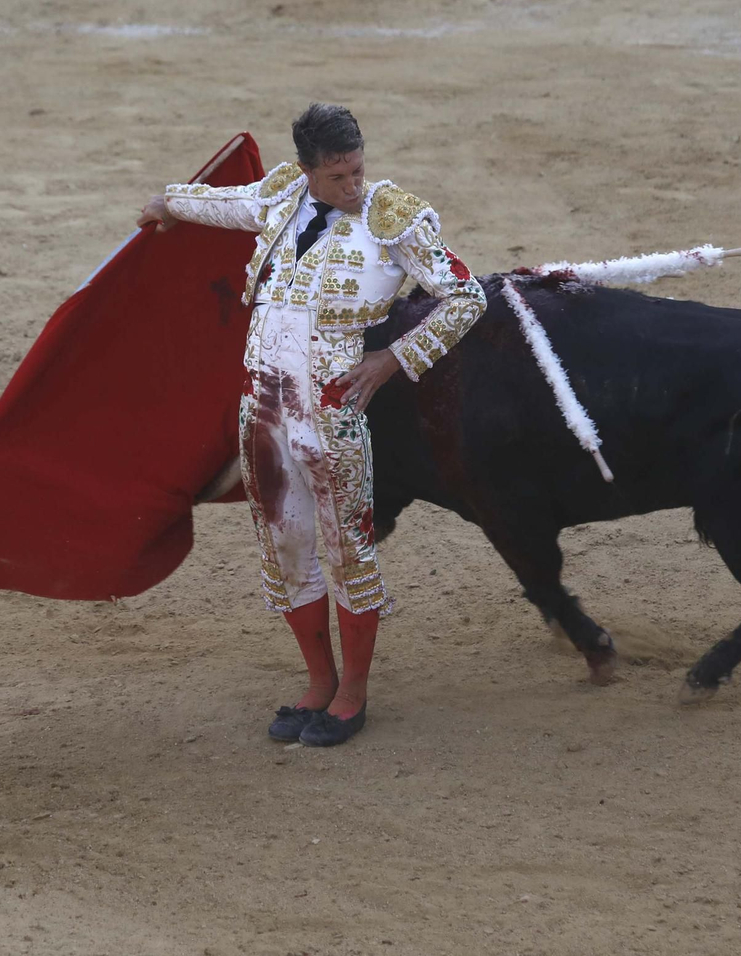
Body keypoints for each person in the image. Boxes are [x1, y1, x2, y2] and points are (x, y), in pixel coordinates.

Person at [137, 103, 485, 746]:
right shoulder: (280, 197)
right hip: (262, 411)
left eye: (357, 172)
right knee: (286, 548)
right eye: (337, 177)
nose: (352, 187)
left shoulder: (393, 217)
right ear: (307, 171)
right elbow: (225, 203)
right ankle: (319, 682)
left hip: (331, 415)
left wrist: (393, 358)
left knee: (348, 549)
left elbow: (467, 296)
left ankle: (352, 694)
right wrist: (168, 203)